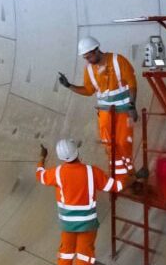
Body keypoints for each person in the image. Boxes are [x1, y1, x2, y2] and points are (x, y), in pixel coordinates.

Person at [36, 139, 126, 265]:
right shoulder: (92, 173)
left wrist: (42, 158)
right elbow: (117, 186)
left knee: (66, 255)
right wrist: (124, 170)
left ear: (62, 158)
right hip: (87, 225)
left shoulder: (57, 173)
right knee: (85, 258)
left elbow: (40, 175)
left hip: (67, 226)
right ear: (77, 152)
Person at [57, 36, 141, 181]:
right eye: (85, 58)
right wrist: (69, 85)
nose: (88, 60)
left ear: (96, 50)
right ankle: (119, 177)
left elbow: (132, 84)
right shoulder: (89, 69)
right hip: (105, 114)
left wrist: (132, 105)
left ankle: (128, 176)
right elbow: (89, 91)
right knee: (109, 146)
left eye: (89, 56)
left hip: (124, 112)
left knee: (123, 143)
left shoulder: (118, 60)